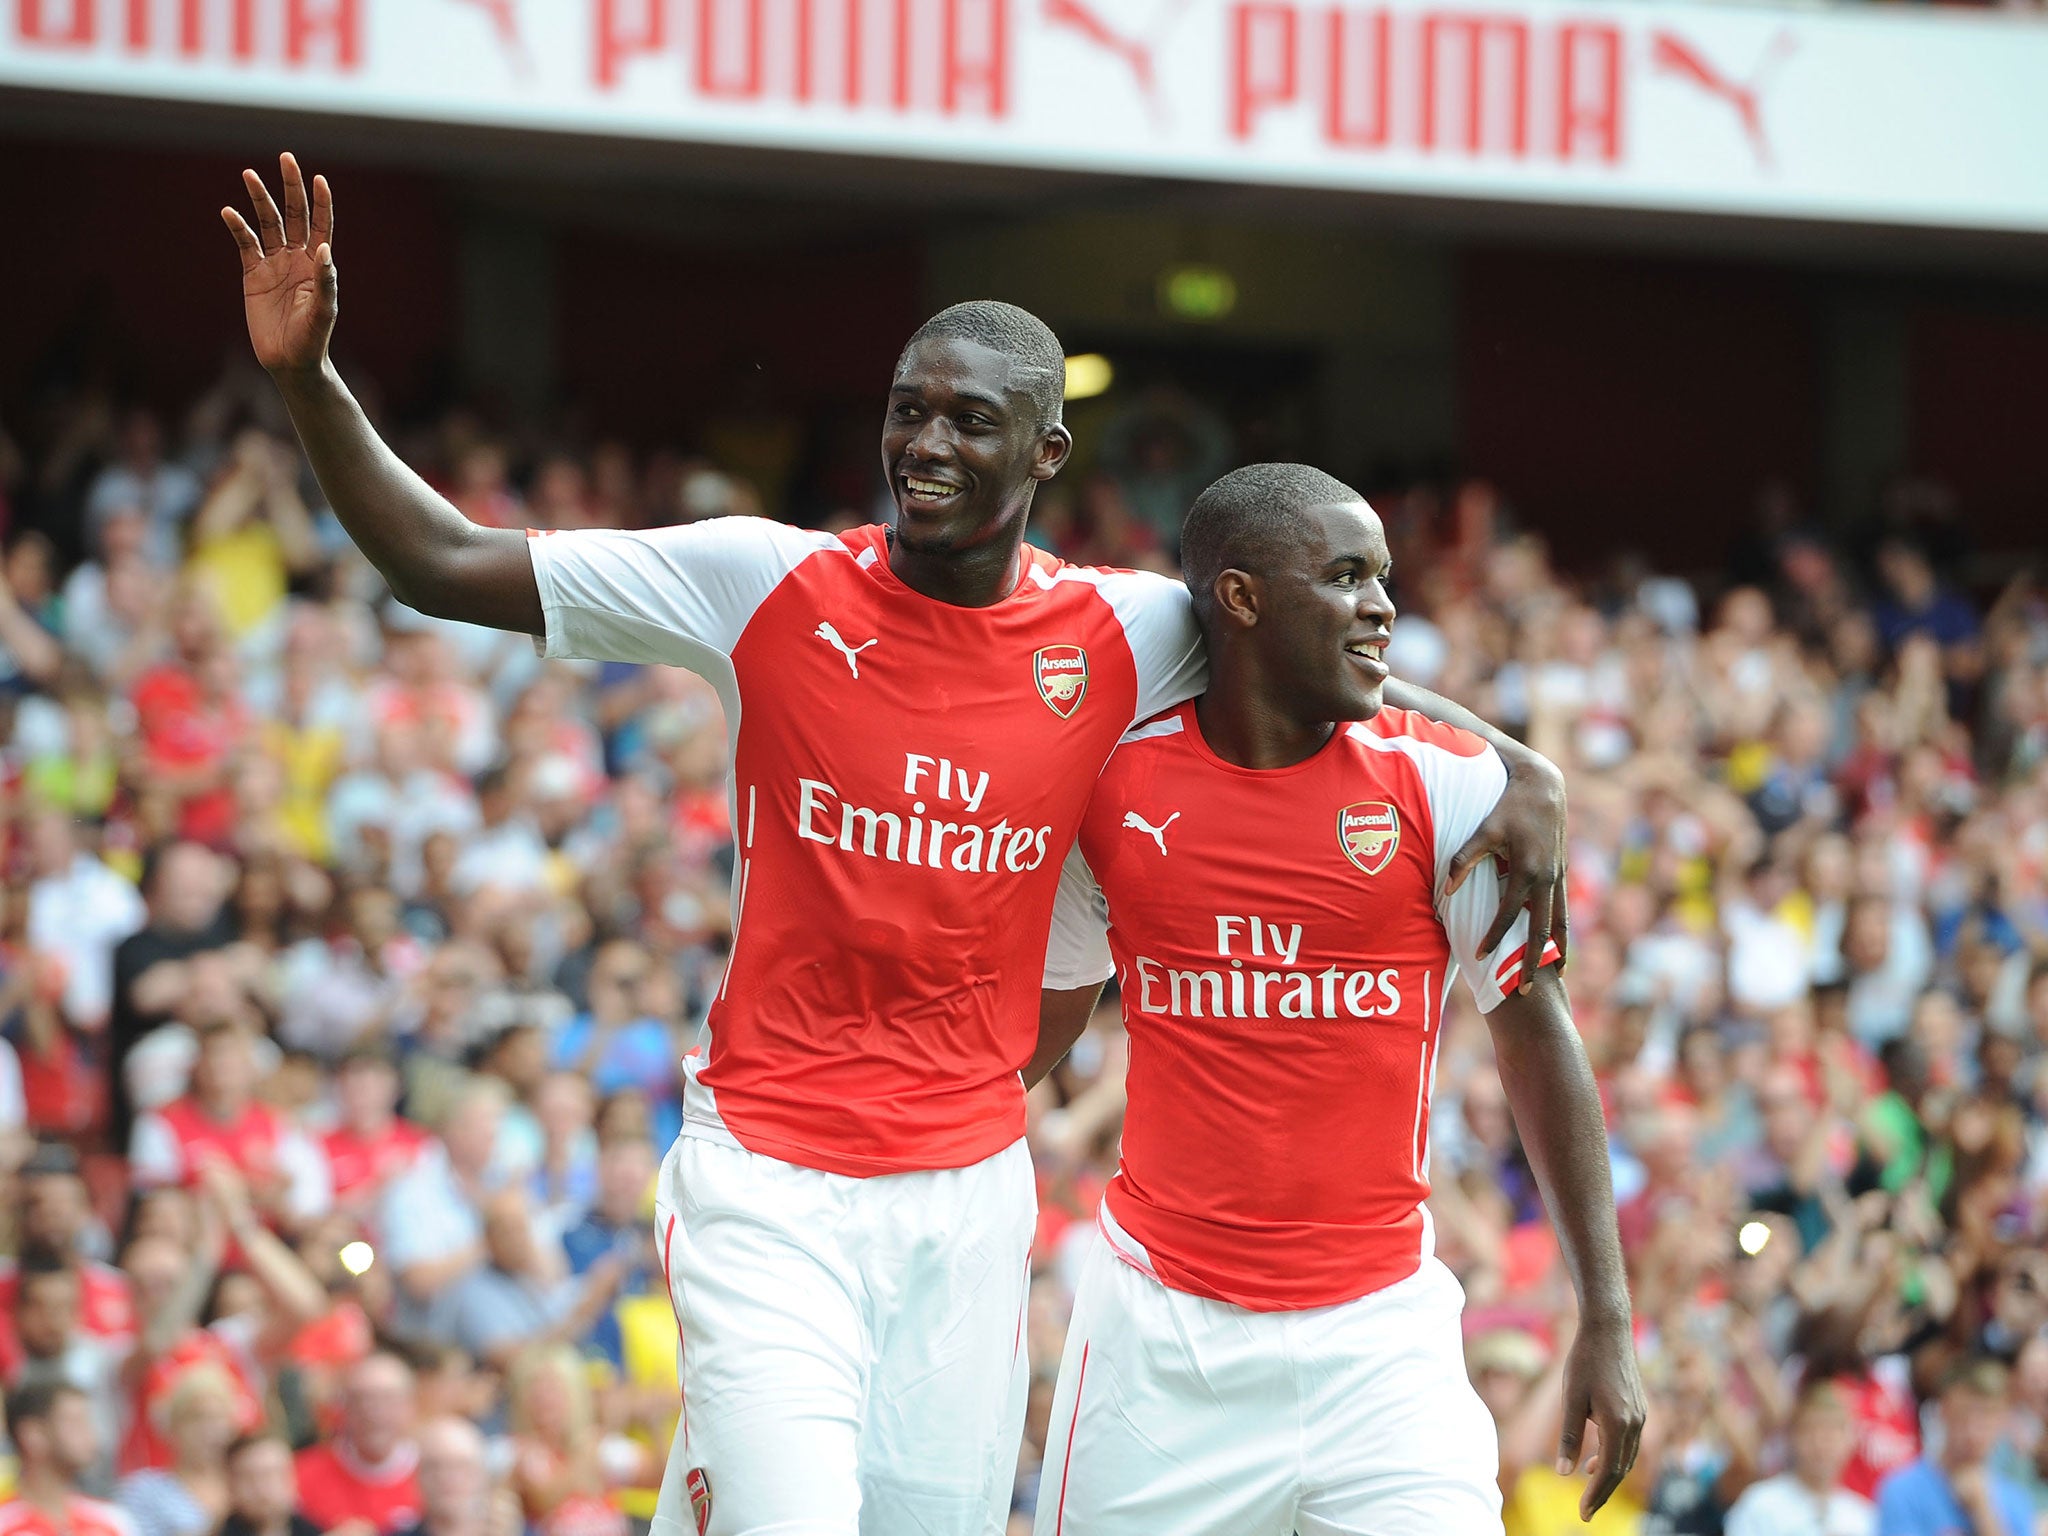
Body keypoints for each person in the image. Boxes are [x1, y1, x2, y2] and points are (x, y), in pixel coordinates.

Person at [223, 154, 1569, 1534]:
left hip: (969, 1199)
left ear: (1048, 451)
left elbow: (1297, 644)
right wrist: (309, 379)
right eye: (905, 413)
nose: (924, 445)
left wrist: (1511, 762)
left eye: (969, 422)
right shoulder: (764, 580)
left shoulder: (1124, 630)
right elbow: (440, 561)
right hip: (770, 1181)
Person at [1031, 464, 1644, 1534]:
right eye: (1346, 575)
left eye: (1382, 577)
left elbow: (1537, 1044)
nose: (1382, 605)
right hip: (1158, 1343)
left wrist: (1606, 1309)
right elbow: (1040, 1023)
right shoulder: (1111, 790)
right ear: (1239, 597)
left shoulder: (1448, 789)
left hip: (1380, 1342)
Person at [1874, 1357, 2033, 1536]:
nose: (1974, 1429)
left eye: (1987, 1417)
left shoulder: (2014, 1500)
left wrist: (1983, 1511)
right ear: (1943, 1410)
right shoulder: (1902, 1490)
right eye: (1963, 1414)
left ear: (2003, 1420)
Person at [291, 1351, 422, 1535]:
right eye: (361, 1399)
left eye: (387, 1399)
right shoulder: (300, 1474)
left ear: (410, 1406)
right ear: (343, 1408)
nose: (373, 1412)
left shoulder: (436, 1474)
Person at [1726, 1381, 1874, 1536]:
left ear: (1850, 1440)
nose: (1820, 1443)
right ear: (1793, 1437)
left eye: (1831, 1433)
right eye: (1811, 1430)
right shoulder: (1760, 1503)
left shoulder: (1864, 1516)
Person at [0, 1381, 135, 1536]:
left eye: (88, 1421)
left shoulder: (111, 1519)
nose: (90, 1434)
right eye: (74, 1421)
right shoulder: (4, 1523)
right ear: (33, 1434)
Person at [219, 1434, 321, 1536]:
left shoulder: (314, 1530)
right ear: (230, 1484)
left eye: (270, 1475)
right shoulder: (216, 1531)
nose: (261, 1488)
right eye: (249, 1478)